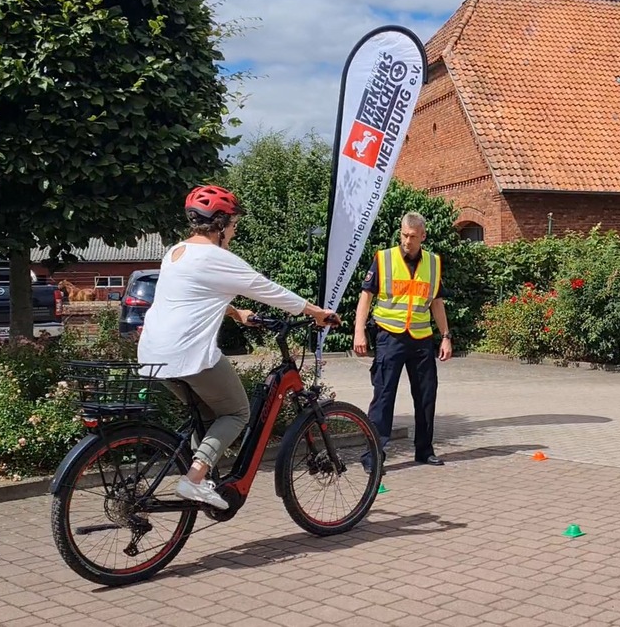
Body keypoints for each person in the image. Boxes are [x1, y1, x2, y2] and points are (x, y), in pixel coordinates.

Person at [137, 185, 340, 510]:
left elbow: (190, 294)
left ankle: (201, 477)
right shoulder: (217, 257)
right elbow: (267, 289)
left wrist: (235, 312)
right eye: (233, 223)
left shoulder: (176, 253)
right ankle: (194, 480)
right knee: (236, 412)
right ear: (219, 223)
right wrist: (317, 312)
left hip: (152, 355)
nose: (234, 230)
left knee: (206, 416)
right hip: (189, 355)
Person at [353, 212, 453, 466]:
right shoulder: (384, 259)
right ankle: (374, 455)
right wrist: (359, 331)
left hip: (421, 339)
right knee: (384, 397)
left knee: (426, 396)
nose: (407, 241)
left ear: (423, 236)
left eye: (412, 236)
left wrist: (445, 336)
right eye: (404, 235)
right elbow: (366, 296)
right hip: (390, 336)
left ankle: (424, 451)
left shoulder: (433, 263)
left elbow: (437, 303)